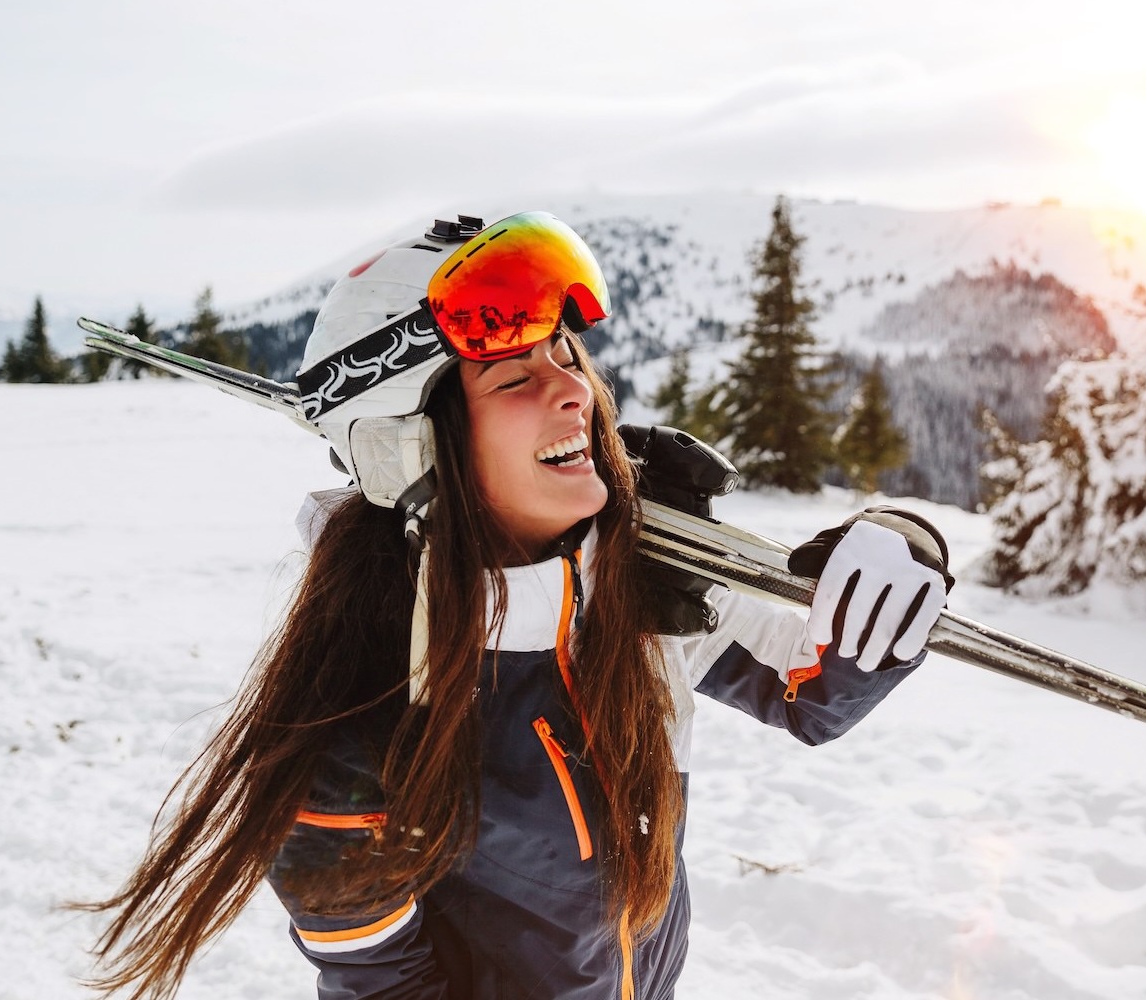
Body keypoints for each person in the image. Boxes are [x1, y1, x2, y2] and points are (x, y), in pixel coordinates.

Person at [76, 212, 953, 999]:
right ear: (417, 451)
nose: (574, 391)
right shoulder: (358, 714)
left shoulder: (636, 591)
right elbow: (383, 988)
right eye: (510, 380)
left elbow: (813, 691)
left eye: (566, 356)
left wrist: (902, 550)